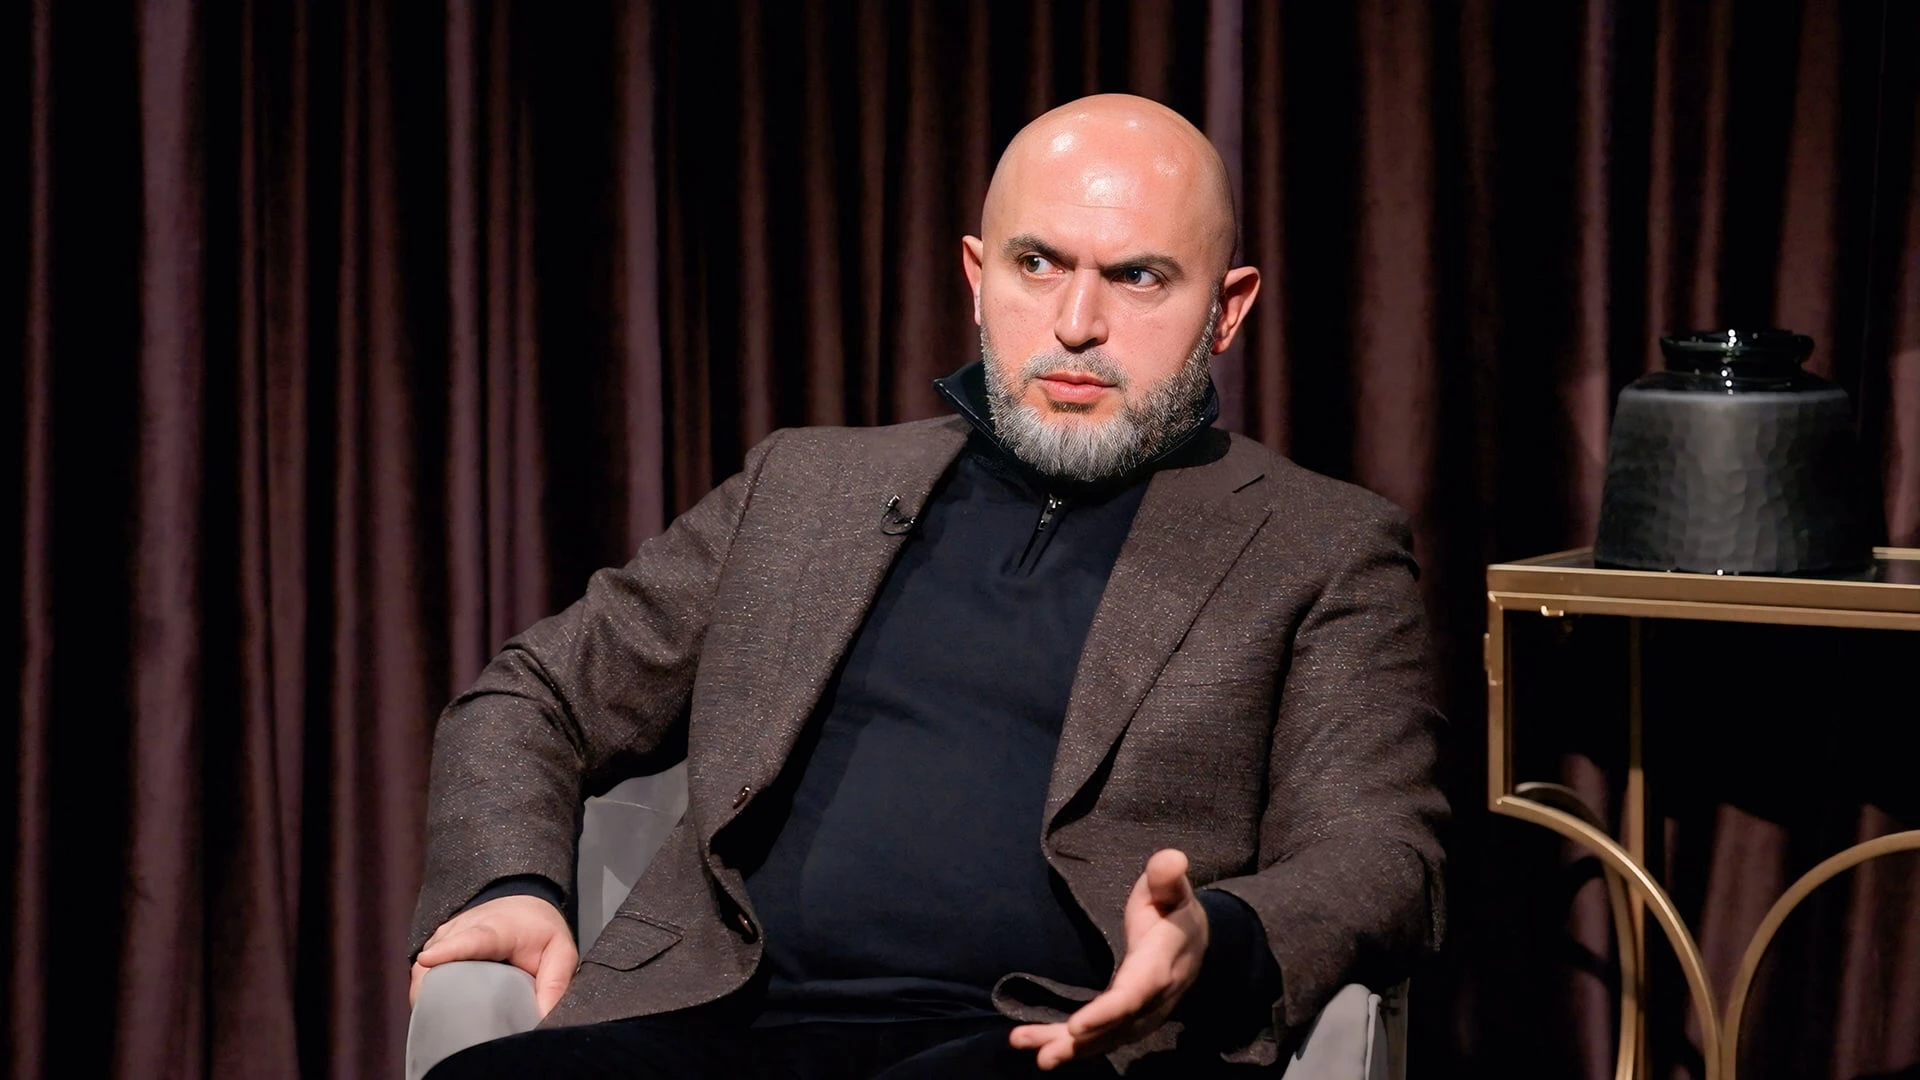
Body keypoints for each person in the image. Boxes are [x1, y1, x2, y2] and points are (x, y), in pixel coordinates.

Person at [408, 93, 1447, 1078]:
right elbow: (534, 695)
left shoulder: (1320, 545)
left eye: (1138, 278)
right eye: (1037, 264)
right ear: (977, 275)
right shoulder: (805, 486)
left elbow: (1382, 853)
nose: (1076, 323)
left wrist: (1212, 942)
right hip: (717, 1025)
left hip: (1054, 1044)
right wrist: (511, 883)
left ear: (1227, 308)